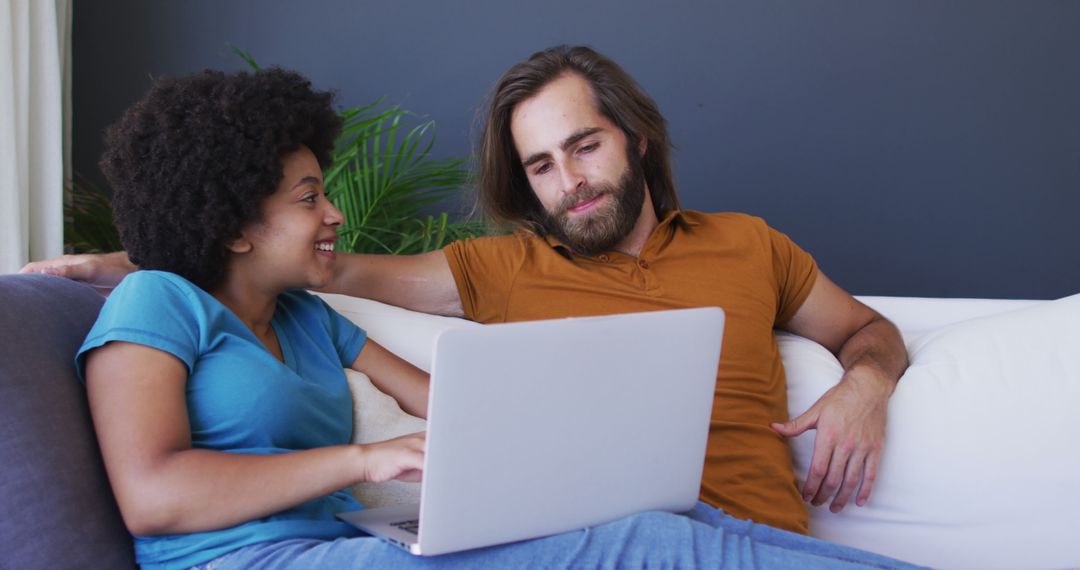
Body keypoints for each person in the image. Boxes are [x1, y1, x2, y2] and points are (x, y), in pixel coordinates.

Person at [24, 45, 913, 557]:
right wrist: (142, 250)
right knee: (650, 536)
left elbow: (438, 392)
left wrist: (863, 386)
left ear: (635, 140)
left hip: (703, 524)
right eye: (540, 164)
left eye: (585, 145)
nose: (570, 180)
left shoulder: (752, 244)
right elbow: (153, 492)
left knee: (670, 526)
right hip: (309, 548)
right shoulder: (162, 300)